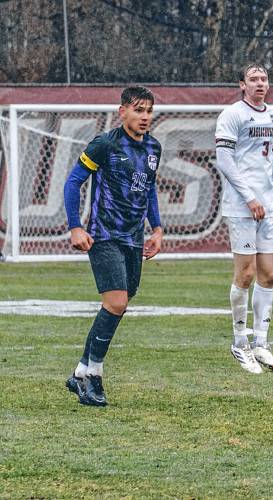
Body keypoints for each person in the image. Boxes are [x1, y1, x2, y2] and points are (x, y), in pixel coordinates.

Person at [63, 86, 163, 406]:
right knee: (117, 302)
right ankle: (93, 377)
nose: (144, 116)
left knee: (119, 304)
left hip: (133, 239)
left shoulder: (153, 148)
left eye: (148, 110)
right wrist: (75, 226)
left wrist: (157, 228)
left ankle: (80, 372)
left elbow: (148, 191)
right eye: (138, 110)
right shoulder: (105, 144)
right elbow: (73, 181)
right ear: (123, 112)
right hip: (103, 235)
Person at [214, 63, 273, 374]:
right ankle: (239, 342)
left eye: (263, 79)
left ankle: (261, 343)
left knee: (268, 274)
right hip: (242, 205)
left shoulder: (272, 114)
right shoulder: (232, 114)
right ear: (242, 84)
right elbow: (224, 161)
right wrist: (250, 198)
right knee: (245, 275)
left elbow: (267, 158)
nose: (260, 84)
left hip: (266, 204)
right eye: (253, 79)